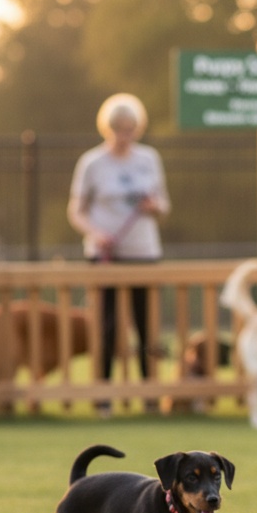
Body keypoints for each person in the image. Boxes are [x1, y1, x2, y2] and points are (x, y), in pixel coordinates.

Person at [68, 93, 170, 413]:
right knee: (107, 326)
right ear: (107, 128)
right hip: (105, 254)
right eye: (118, 127)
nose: (123, 134)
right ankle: (104, 398)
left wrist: (154, 207)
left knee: (146, 325)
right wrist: (96, 234)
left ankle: (150, 396)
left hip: (144, 252)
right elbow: (76, 209)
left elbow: (164, 206)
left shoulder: (149, 159)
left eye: (129, 127)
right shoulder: (92, 163)